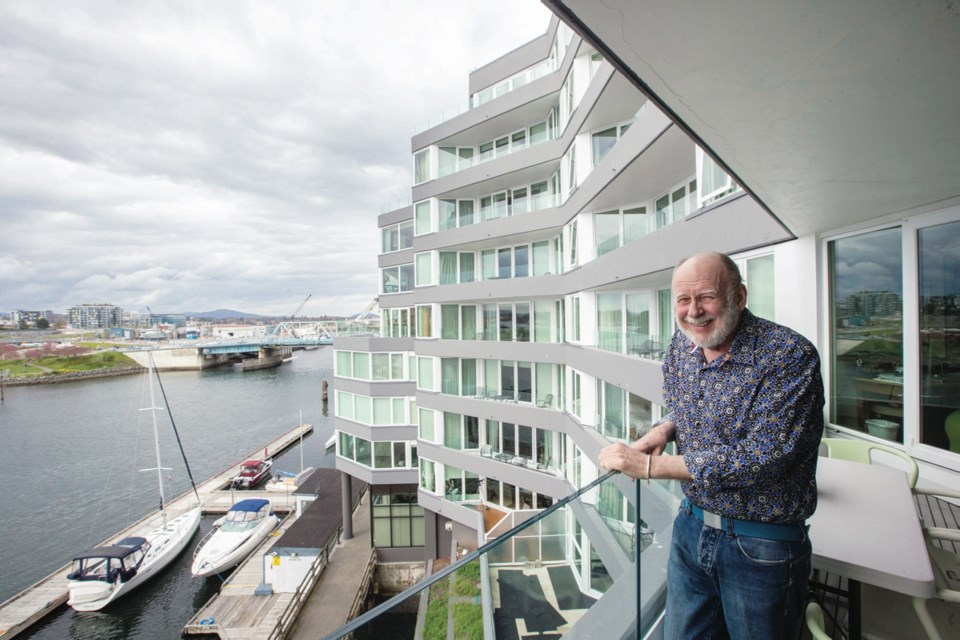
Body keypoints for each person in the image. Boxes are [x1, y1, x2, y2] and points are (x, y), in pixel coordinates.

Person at [599, 252, 824, 639]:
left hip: (762, 544)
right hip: (691, 527)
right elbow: (686, 407)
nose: (694, 311)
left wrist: (651, 467)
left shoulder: (788, 356)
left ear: (739, 296)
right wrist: (663, 430)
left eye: (706, 297)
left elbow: (762, 457)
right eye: (683, 301)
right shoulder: (681, 347)